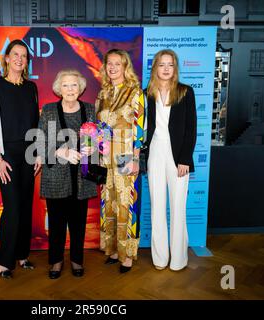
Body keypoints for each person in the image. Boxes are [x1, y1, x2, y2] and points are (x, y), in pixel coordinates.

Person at [0, 39, 41, 279]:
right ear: (7, 58)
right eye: (15, 54)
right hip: (6, 155)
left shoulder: (31, 88)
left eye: (24, 55)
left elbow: (35, 124)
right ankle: (4, 260)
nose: (20, 59)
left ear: (27, 61)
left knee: (26, 206)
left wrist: (38, 151)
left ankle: (22, 255)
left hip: (29, 153)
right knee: (12, 207)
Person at [36, 69, 97, 279]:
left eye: (74, 85)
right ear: (58, 89)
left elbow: (98, 141)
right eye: (65, 85)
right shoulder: (49, 110)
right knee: (57, 224)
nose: (70, 89)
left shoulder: (90, 109)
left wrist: (94, 148)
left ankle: (77, 260)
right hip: (56, 177)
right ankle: (56, 261)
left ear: (80, 88)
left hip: (81, 177)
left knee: (79, 223)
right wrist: (59, 151)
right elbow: (39, 143)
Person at [144, 49, 197, 271]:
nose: (166, 69)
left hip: (178, 157)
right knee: (157, 206)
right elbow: (142, 129)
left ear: (175, 68)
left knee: (177, 207)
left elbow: (191, 128)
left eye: (170, 65)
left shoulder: (185, 92)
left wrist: (185, 159)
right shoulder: (146, 93)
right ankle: (159, 258)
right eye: (162, 64)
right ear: (155, 67)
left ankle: (178, 260)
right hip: (155, 152)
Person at [96, 49, 144, 273]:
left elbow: (140, 128)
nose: (113, 67)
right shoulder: (102, 93)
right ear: (105, 67)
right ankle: (113, 250)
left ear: (126, 67)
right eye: (109, 64)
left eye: (118, 63)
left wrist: (135, 158)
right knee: (110, 203)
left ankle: (128, 255)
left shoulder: (135, 92)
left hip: (125, 153)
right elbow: (97, 129)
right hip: (106, 156)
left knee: (126, 204)